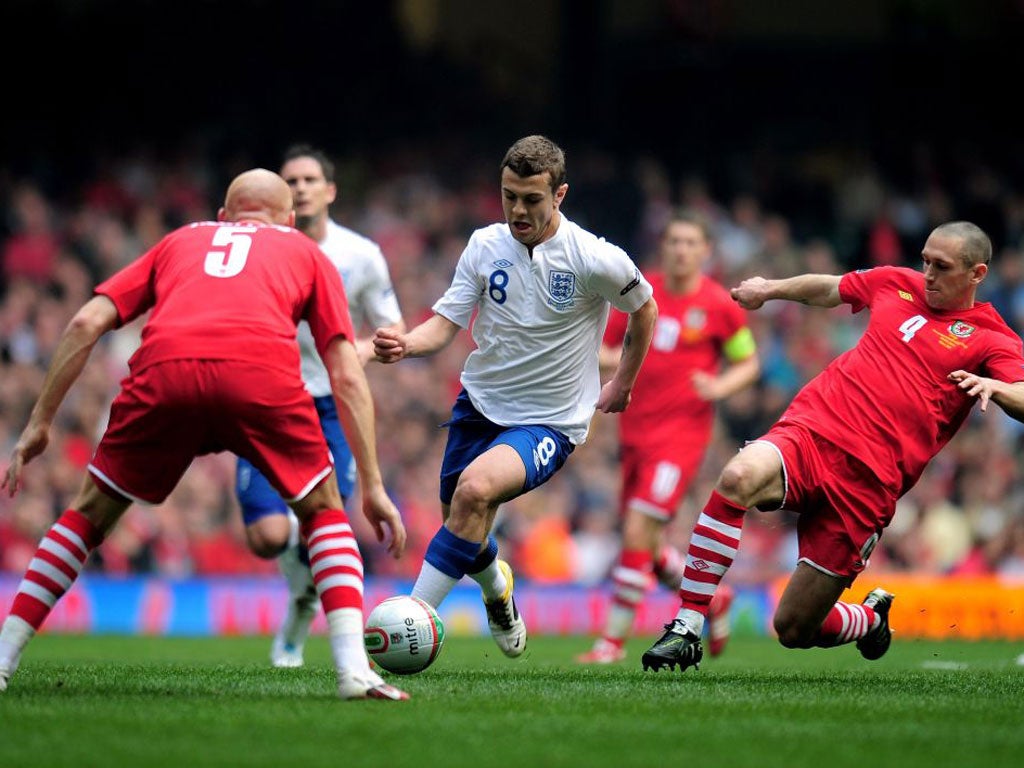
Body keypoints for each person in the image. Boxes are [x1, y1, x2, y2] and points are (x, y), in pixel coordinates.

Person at [0, 169, 409, 701]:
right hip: (260, 376)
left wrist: (39, 423)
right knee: (324, 511)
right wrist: (374, 485)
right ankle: (354, 672)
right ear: (290, 221)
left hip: (164, 373)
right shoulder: (308, 252)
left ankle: (4, 657)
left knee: (88, 514)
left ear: (223, 216)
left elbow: (85, 322)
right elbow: (346, 371)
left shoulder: (180, 239)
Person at [642, 220, 1024, 673]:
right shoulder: (896, 283)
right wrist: (770, 288)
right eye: (925, 261)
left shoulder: (991, 335)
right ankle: (687, 625)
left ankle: (866, 619)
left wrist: (994, 387)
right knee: (738, 476)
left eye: (941, 267)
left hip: (870, 483)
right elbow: (831, 288)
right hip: (813, 431)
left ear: (977, 274)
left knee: (794, 628)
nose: (927, 275)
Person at [373, 135, 658, 657]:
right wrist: (407, 344)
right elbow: (446, 324)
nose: (518, 210)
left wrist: (623, 382)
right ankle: (497, 590)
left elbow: (645, 307)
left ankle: (412, 622)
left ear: (560, 195)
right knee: (462, 522)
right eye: (509, 196)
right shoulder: (484, 246)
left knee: (474, 491)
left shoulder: (593, 257)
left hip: (551, 420)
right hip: (479, 406)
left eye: (531, 199)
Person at [233, 144, 406, 669]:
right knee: (266, 536)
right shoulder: (255, 248)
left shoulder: (361, 255)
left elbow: (391, 329)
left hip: (331, 404)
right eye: (292, 180)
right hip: (265, 399)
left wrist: (343, 353)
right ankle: (301, 583)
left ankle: (304, 609)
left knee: (322, 525)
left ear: (329, 191)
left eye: (311, 179)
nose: (302, 187)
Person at [577, 207, 760, 664]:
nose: (680, 249)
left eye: (690, 242)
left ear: (706, 251)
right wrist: (603, 360)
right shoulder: (643, 293)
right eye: (674, 241)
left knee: (638, 530)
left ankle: (611, 643)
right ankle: (714, 601)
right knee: (648, 545)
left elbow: (748, 362)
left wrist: (719, 386)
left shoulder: (717, 305)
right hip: (634, 433)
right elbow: (610, 346)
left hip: (680, 439)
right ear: (664, 247)